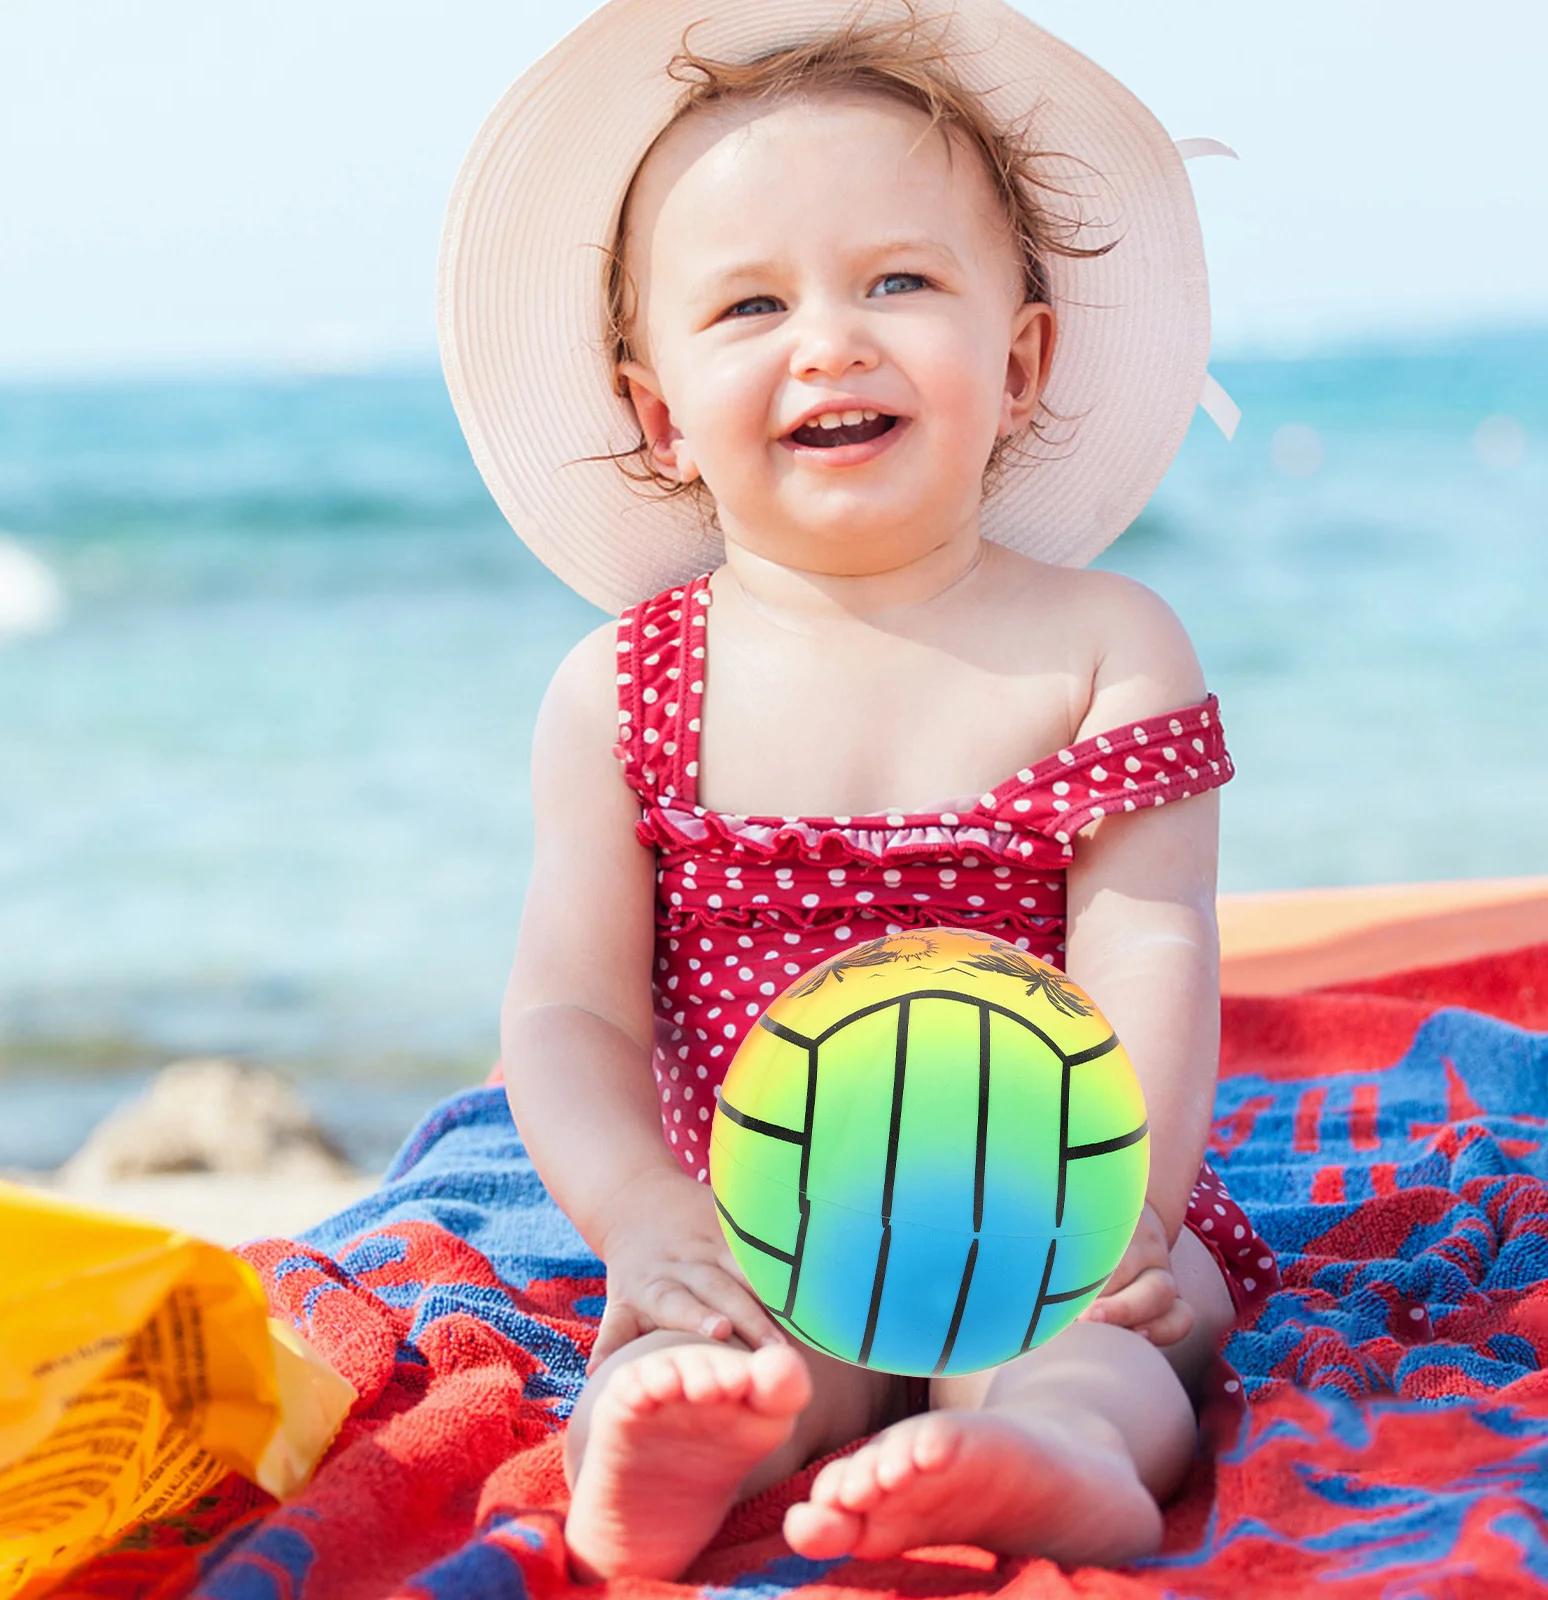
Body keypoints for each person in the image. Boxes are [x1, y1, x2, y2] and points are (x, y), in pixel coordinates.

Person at [437, 0, 1279, 1579]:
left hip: (1058, 1205)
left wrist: (1138, 1215)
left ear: (1020, 361)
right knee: (713, 1353)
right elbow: (571, 1016)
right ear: (657, 413)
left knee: (1132, 1344)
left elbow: (1153, 950)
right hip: (758, 1217)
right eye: (752, 303)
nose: (833, 337)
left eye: (900, 280)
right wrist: (641, 1218)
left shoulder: (1106, 648)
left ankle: (1056, 1451)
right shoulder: (623, 692)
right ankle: (696, 1444)